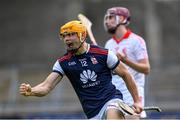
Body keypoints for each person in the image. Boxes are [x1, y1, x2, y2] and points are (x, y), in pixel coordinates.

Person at [19, 20, 142, 119]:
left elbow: (126, 74)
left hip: (112, 100)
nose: (67, 39)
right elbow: (46, 86)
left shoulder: (103, 54)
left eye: (71, 35)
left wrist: (137, 101)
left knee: (113, 112)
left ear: (82, 36)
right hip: (92, 112)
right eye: (65, 36)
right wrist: (32, 91)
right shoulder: (63, 62)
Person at [104, 7, 150, 118]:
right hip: (114, 95)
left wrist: (126, 61)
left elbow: (146, 69)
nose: (107, 21)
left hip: (132, 94)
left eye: (111, 17)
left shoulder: (136, 41)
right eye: (106, 18)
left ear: (122, 19)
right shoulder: (108, 44)